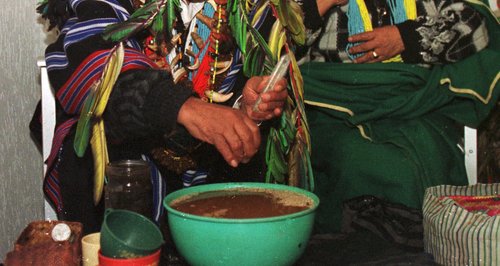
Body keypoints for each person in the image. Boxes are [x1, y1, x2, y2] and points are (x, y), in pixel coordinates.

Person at [32, 0, 310, 235]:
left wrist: (246, 109)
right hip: (129, 162)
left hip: (207, 168)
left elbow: (230, 92)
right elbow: (95, 67)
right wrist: (184, 108)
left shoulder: (245, 8)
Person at [295, 0, 499, 234]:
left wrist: (405, 38)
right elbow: (277, 42)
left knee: (416, 159)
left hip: (415, 105)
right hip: (333, 104)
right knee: (353, 158)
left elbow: (473, 27)